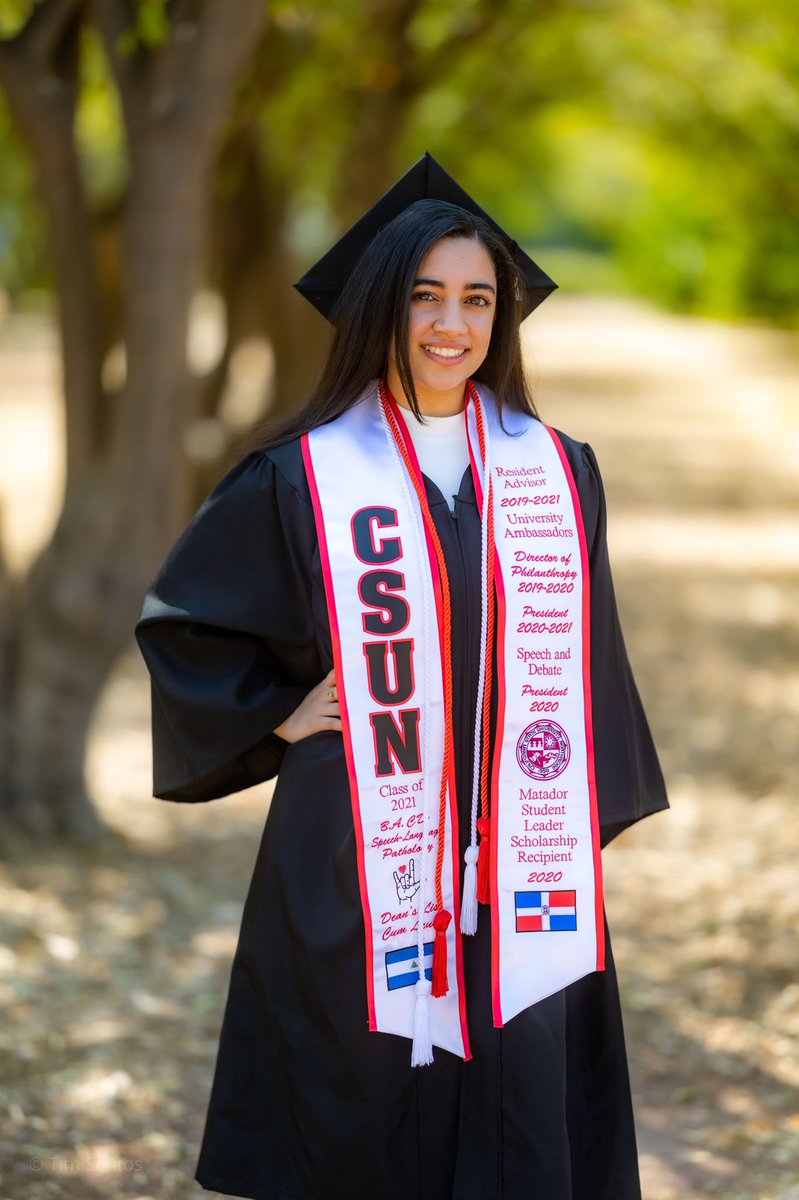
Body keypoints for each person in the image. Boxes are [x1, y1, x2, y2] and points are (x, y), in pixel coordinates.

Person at [135, 154, 668, 1200]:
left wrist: (563, 806)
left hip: (517, 843)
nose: (450, 325)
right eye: (424, 296)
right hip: (358, 839)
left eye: (477, 299)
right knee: (361, 1085)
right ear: (381, 305)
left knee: (515, 1086)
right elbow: (189, 626)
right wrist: (278, 716)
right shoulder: (302, 472)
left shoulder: (556, 469)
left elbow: (589, 655)